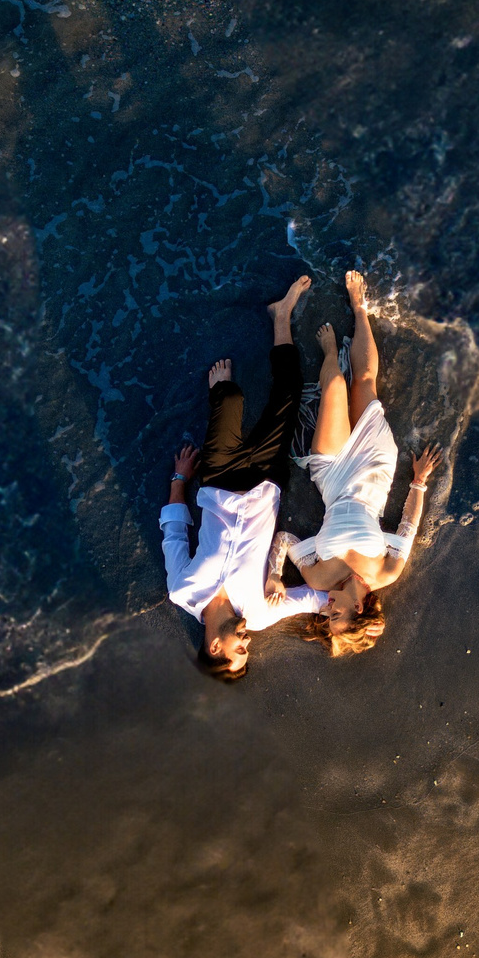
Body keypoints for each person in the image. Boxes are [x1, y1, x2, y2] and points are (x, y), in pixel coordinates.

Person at [161, 275, 330, 680]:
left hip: (217, 480)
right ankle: (281, 314)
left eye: (239, 651)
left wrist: (180, 477)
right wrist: (356, 603)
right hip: (266, 482)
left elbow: (174, 534)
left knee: (230, 394)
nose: (247, 644)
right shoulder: (257, 614)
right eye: (247, 650)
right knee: (288, 392)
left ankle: (220, 398)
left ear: (215, 647)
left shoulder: (181, 590)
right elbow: (315, 599)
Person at [288, 270, 442, 658]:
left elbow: (285, 542)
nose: (325, 611)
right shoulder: (386, 573)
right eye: (334, 617)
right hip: (375, 474)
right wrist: (419, 482)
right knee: (365, 384)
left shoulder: (319, 578)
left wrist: (275, 578)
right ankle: (360, 308)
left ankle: (328, 357)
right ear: (357, 609)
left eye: (324, 618)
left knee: (337, 386)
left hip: (333, 477)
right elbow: (407, 526)